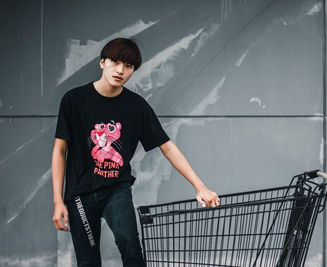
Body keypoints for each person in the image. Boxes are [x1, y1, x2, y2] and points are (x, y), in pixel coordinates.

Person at [51, 37, 220, 267]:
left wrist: (200, 186)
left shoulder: (136, 106)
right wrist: (58, 201)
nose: (120, 70)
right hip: (80, 193)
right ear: (102, 62)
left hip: (116, 189)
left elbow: (167, 146)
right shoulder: (74, 100)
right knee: (88, 261)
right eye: (115, 62)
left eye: (128, 66)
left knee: (130, 245)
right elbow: (60, 150)